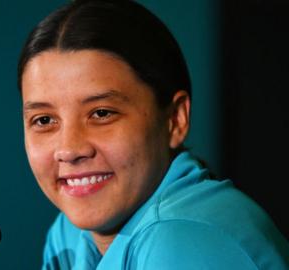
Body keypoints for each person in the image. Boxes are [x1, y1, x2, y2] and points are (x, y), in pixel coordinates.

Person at [17, 0, 289, 269]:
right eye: (44, 120)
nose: (69, 149)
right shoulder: (70, 236)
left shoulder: (185, 239)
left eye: (101, 113)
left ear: (175, 119)